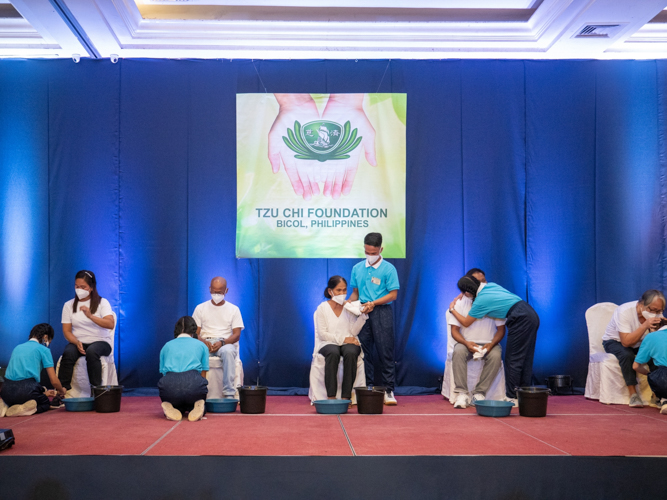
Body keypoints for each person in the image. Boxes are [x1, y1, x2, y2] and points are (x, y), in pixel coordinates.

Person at [450, 274, 539, 404]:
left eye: (463, 292)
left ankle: (511, 397)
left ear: (467, 292)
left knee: (513, 360)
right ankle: (523, 395)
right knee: (525, 359)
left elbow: (466, 322)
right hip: (529, 314)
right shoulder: (490, 286)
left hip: (519, 319)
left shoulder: (480, 301)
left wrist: (452, 309)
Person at [348, 232, 400, 405]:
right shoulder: (357, 268)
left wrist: (374, 303)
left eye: (373, 253)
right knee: (364, 352)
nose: (370, 256)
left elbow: (393, 295)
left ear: (381, 249)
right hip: (362, 312)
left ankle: (389, 390)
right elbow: (355, 293)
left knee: (385, 351)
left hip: (381, 311)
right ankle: (367, 387)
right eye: (367, 252)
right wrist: (345, 303)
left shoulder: (389, 269)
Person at [53, 270, 115, 408]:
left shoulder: (102, 303)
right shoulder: (68, 305)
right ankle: (62, 391)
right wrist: (76, 342)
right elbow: (67, 331)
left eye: (83, 287)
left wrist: (91, 316)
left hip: (101, 342)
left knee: (92, 351)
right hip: (79, 341)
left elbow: (110, 324)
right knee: (68, 352)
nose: (79, 290)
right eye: (77, 286)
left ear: (91, 287)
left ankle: (96, 391)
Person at [448, 269, 505, 408]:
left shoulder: (493, 301)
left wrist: (491, 345)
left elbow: (501, 330)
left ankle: (479, 393)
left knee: (496, 355)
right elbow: (454, 331)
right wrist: (466, 343)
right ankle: (462, 393)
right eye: (478, 282)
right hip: (466, 343)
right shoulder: (460, 302)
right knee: (459, 351)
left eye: (484, 281)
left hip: (489, 344)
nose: (482, 285)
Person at [602, 290, 665, 407]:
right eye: (652, 310)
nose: (656, 313)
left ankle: (658, 393)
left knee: (657, 354)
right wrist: (645, 325)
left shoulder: (657, 314)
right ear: (641, 304)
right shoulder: (624, 311)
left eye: (659, 311)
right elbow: (626, 342)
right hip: (615, 341)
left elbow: (656, 338)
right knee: (626, 354)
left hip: (640, 342)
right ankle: (633, 394)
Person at [314, 276, 368, 401]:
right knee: (333, 353)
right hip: (328, 342)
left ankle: (346, 397)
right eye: (339, 290)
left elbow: (354, 331)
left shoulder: (349, 307)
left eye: (344, 290)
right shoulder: (322, 308)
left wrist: (363, 315)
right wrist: (344, 339)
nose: (342, 293)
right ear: (330, 291)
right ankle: (331, 397)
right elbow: (323, 334)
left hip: (349, 341)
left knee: (350, 352)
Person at [192, 277, 244, 399]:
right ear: (209, 289)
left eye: (219, 292)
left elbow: (236, 335)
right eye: (214, 291)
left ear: (226, 291)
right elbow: (195, 333)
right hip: (205, 342)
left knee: (229, 351)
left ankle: (229, 393)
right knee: (195, 352)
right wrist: (204, 342)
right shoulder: (200, 308)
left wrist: (222, 342)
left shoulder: (234, 309)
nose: (216, 294)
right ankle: (197, 393)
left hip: (224, 342)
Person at [1, 324, 66, 418]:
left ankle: (6, 406)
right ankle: (21, 410)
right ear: (45, 337)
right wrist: (61, 391)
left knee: (36, 393)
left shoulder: (17, 347)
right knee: (45, 403)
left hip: (6, 391)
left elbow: (17, 378)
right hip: (27, 390)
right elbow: (54, 381)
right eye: (49, 341)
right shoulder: (44, 350)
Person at [158, 317, 209, 422]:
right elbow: (203, 374)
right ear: (194, 330)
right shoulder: (202, 345)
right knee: (196, 400)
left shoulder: (166, 346)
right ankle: (196, 407)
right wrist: (202, 396)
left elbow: (164, 373)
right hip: (194, 384)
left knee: (177, 404)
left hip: (169, 386)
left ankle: (172, 407)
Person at [633, 325, 667, 414]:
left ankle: (664, 399)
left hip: (663, 378)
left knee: (656, 366)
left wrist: (650, 374)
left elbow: (636, 366)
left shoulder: (651, 336)